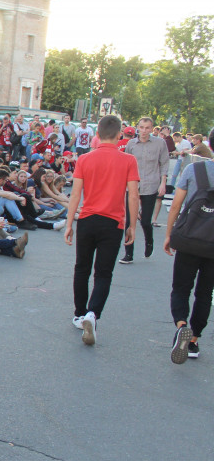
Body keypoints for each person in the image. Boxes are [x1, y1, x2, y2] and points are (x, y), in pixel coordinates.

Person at [63, 115, 140, 346]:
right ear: (120, 135)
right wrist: (132, 225)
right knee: (104, 273)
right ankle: (93, 314)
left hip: (87, 219)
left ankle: (79, 313)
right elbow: (133, 194)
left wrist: (69, 224)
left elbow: (75, 194)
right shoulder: (128, 160)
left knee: (82, 268)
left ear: (97, 134)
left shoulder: (85, 159)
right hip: (113, 222)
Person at [165, 129, 214, 363]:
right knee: (205, 293)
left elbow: (176, 206)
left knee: (181, 287)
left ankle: (181, 324)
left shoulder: (194, 169)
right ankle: (193, 341)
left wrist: (169, 234)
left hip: (189, 237)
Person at [120, 117, 168, 263]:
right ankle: (129, 253)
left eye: (147, 128)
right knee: (129, 221)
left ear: (152, 128)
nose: (144, 131)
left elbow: (164, 163)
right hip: (133, 185)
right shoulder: (131, 144)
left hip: (151, 184)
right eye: (142, 127)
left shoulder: (160, 143)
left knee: (145, 221)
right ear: (137, 128)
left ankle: (149, 241)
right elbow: (125, 164)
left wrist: (163, 183)